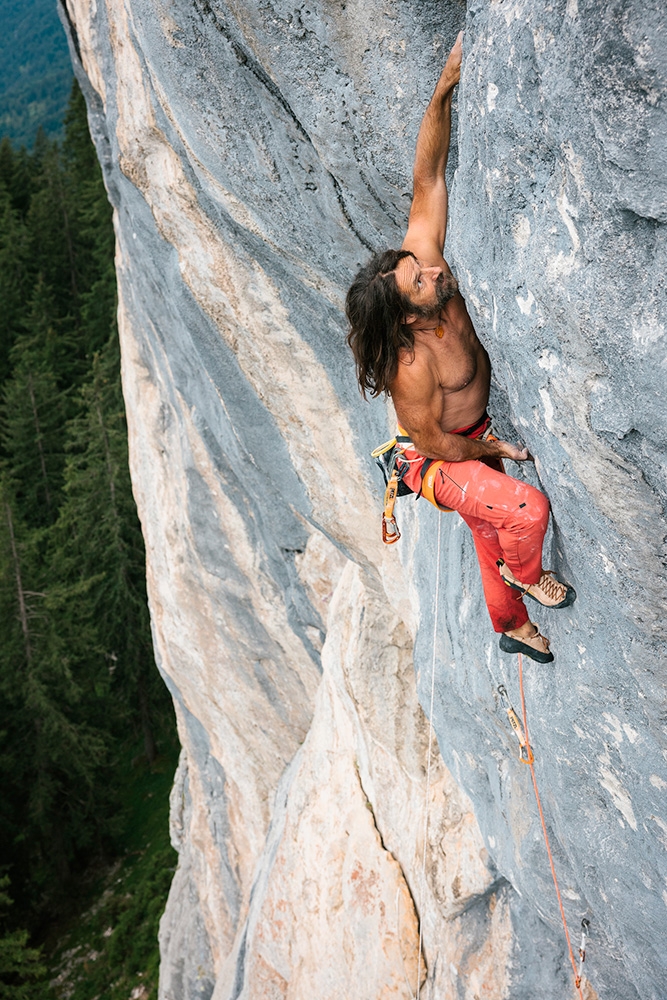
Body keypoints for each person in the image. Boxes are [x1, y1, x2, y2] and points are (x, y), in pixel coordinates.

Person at [345, 32, 575, 664]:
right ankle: (524, 579)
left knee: (488, 528)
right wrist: (492, 448)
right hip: (437, 460)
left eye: (421, 270)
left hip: (464, 434)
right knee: (523, 512)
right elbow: (437, 444)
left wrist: (444, 88)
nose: (433, 273)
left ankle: (511, 627)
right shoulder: (410, 369)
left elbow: (429, 174)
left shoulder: (426, 264)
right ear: (405, 321)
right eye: (420, 283)